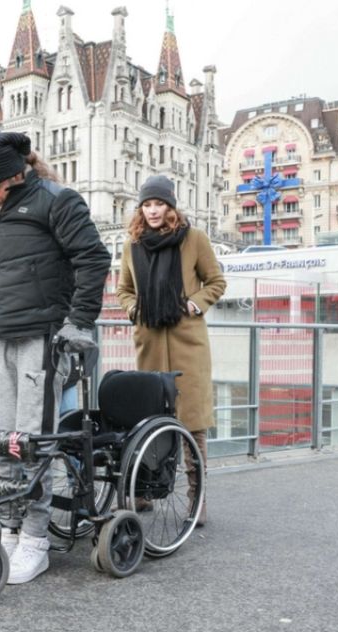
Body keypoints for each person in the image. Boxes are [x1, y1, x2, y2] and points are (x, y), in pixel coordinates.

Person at [0, 132, 110, 584]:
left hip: (44, 339)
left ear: (17, 173)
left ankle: (34, 540)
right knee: (1, 441)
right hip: (4, 340)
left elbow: (94, 259)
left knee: (33, 441)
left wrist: (79, 321)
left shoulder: (58, 201)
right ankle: (7, 531)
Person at [116, 174, 227, 527]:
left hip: (188, 345)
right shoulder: (132, 244)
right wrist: (134, 309)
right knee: (149, 421)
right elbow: (123, 289)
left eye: (159, 204)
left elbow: (216, 281)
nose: (152, 211)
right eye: (147, 204)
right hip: (149, 343)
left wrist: (194, 304)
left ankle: (197, 497)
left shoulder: (194, 239)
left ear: (171, 206)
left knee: (192, 423)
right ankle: (146, 491)